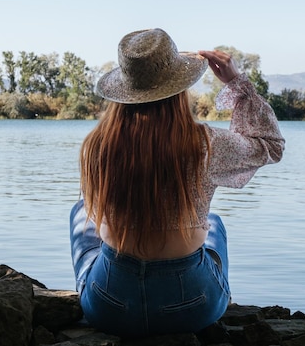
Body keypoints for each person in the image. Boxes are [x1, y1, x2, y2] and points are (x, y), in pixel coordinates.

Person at [70, 28, 285, 337]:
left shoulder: (98, 145)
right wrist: (238, 85)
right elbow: (270, 146)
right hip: (191, 308)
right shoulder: (204, 144)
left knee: (81, 213)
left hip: (112, 308)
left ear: (123, 92)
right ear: (178, 89)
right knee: (215, 225)